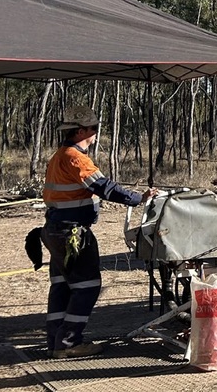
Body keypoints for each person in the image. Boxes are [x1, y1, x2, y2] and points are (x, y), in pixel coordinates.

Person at [41, 105, 157, 358]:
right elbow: (104, 187)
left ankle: (56, 342)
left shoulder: (59, 155)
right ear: (82, 130)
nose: (95, 134)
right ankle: (69, 343)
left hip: (54, 230)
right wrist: (139, 198)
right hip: (71, 233)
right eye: (93, 129)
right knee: (87, 286)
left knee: (63, 285)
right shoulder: (75, 157)